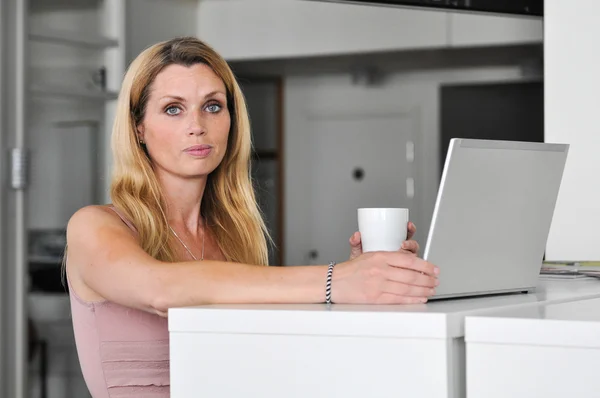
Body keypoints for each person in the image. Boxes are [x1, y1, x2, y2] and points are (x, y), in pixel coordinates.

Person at [64, 37, 439, 398]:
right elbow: (160, 290)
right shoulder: (94, 226)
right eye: (173, 109)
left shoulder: (232, 238)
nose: (198, 125)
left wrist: (365, 282)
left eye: (212, 106)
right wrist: (336, 280)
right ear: (138, 128)